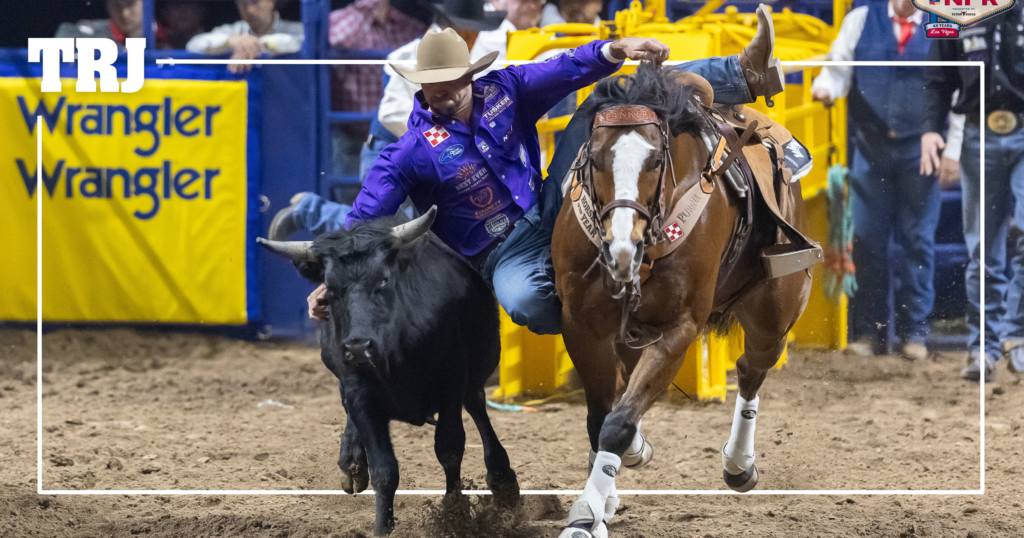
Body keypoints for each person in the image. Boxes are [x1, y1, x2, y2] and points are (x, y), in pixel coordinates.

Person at [271, 5, 785, 335]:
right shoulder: (408, 152)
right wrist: (334, 283)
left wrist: (616, 49)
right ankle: (611, 309)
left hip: (549, 205)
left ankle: (742, 72)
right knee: (527, 305)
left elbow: (563, 69)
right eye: (433, 85)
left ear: (470, 74)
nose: (444, 92)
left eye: (453, 80)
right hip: (500, 252)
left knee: (609, 99)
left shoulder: (504, 89)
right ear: (421, 87)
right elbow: (364, 221)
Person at [809, 0, 955, 361]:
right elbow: (838, 66)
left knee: (917, 239)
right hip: (870, 145)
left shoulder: (944, 24)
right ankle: (868, 333)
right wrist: (826, 87)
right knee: (866, 237)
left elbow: (955, 83)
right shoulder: (860, 19)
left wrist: (950, 145)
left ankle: (914, 334)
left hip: (922, 148)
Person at [923, 1, 1024, 381]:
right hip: (978, 133)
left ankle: (1015, 334)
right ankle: (985, 346)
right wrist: (933, 128)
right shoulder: (949, 10)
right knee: (983, 249)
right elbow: (937, 74)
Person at [186, 0, 303, 74]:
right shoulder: (233, 31)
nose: (249, 11)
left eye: (254, 2)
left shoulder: (297, 29)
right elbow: (193, 45)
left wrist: (260, 44)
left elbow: (300, 42)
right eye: (242, 4)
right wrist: (229, 41)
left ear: (271, 2)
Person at [55, 0, 170, 49]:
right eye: (116, 5)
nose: (124, 13)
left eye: (130, 4)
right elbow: (62, 39)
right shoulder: (88, 33)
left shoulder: (163, 38)